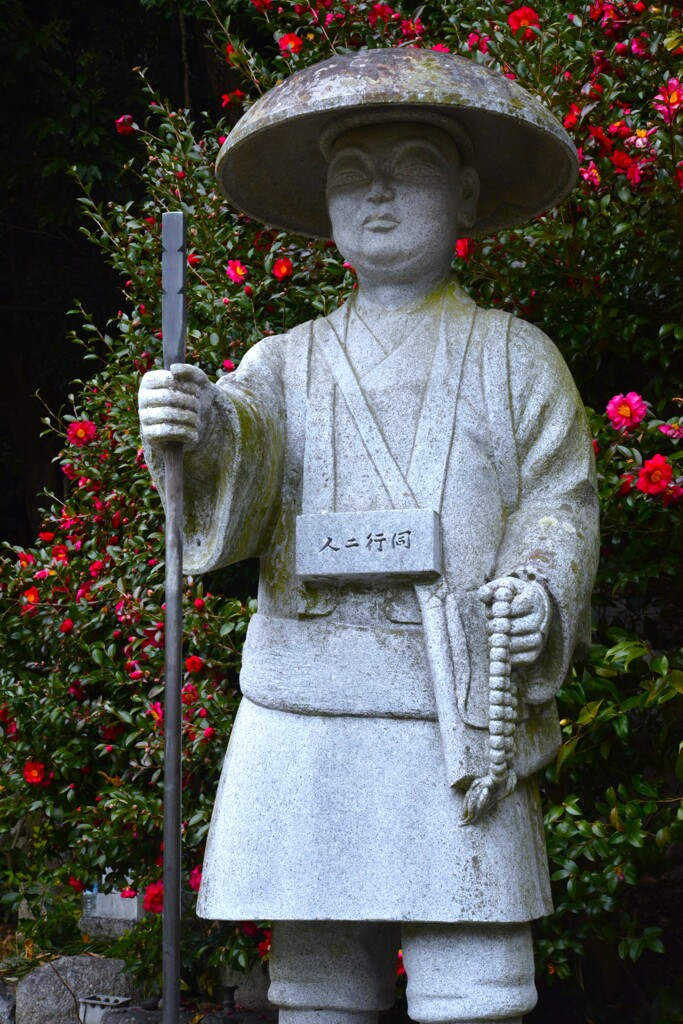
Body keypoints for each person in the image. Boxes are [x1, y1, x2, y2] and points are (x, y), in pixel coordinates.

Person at [139, 49, 599, 1024]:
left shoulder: (516, 358)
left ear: (466, 194)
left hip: (453, 702)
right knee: (314, 978)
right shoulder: (282, 362)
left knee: (472, 977)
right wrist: (195, 423)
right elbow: (239, 446)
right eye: (350, 173)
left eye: (412, 168)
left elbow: (557, 500)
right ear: (326, 208)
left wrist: (536, 589)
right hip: (304, 697)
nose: (378, 193)